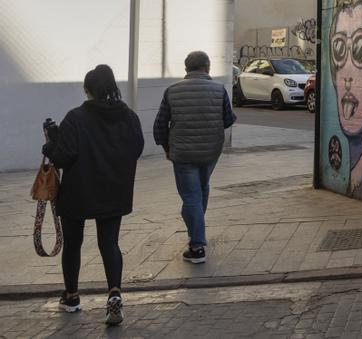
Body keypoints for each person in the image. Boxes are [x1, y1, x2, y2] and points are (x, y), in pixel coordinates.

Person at [42, 64, 144, 326]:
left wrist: (51, 142)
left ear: (88, 90)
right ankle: (114, 293)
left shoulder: (75, 117)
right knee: (109, 243)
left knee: (73, 244)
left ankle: (72, 297)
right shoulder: (130, 117)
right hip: (114, 191)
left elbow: (63, 156)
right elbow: (137, 148)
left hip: (78, 191)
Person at [153, 50, 236, 265]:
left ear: (186, 69)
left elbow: (160, 124)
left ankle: (197, 246)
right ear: (207, 67)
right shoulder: (219, 90)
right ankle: (194, 231)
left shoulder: (172, 91)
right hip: (210, 151)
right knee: (200, 190)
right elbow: (229, 119)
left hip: (182, 153)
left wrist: (166, 148)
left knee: (191, 196)